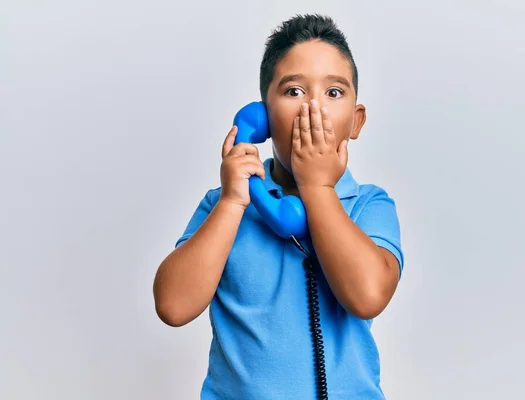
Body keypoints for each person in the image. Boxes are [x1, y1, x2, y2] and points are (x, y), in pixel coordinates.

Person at [153, 13, 405, 400]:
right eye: (294, 92)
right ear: (264, 118)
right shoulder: (224, 206)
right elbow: (172, 306)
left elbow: (367, 295)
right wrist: (234, 201)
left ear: (356, 122)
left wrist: (317, 186)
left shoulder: (370, 205)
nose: (313, 109)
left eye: (334, 92)